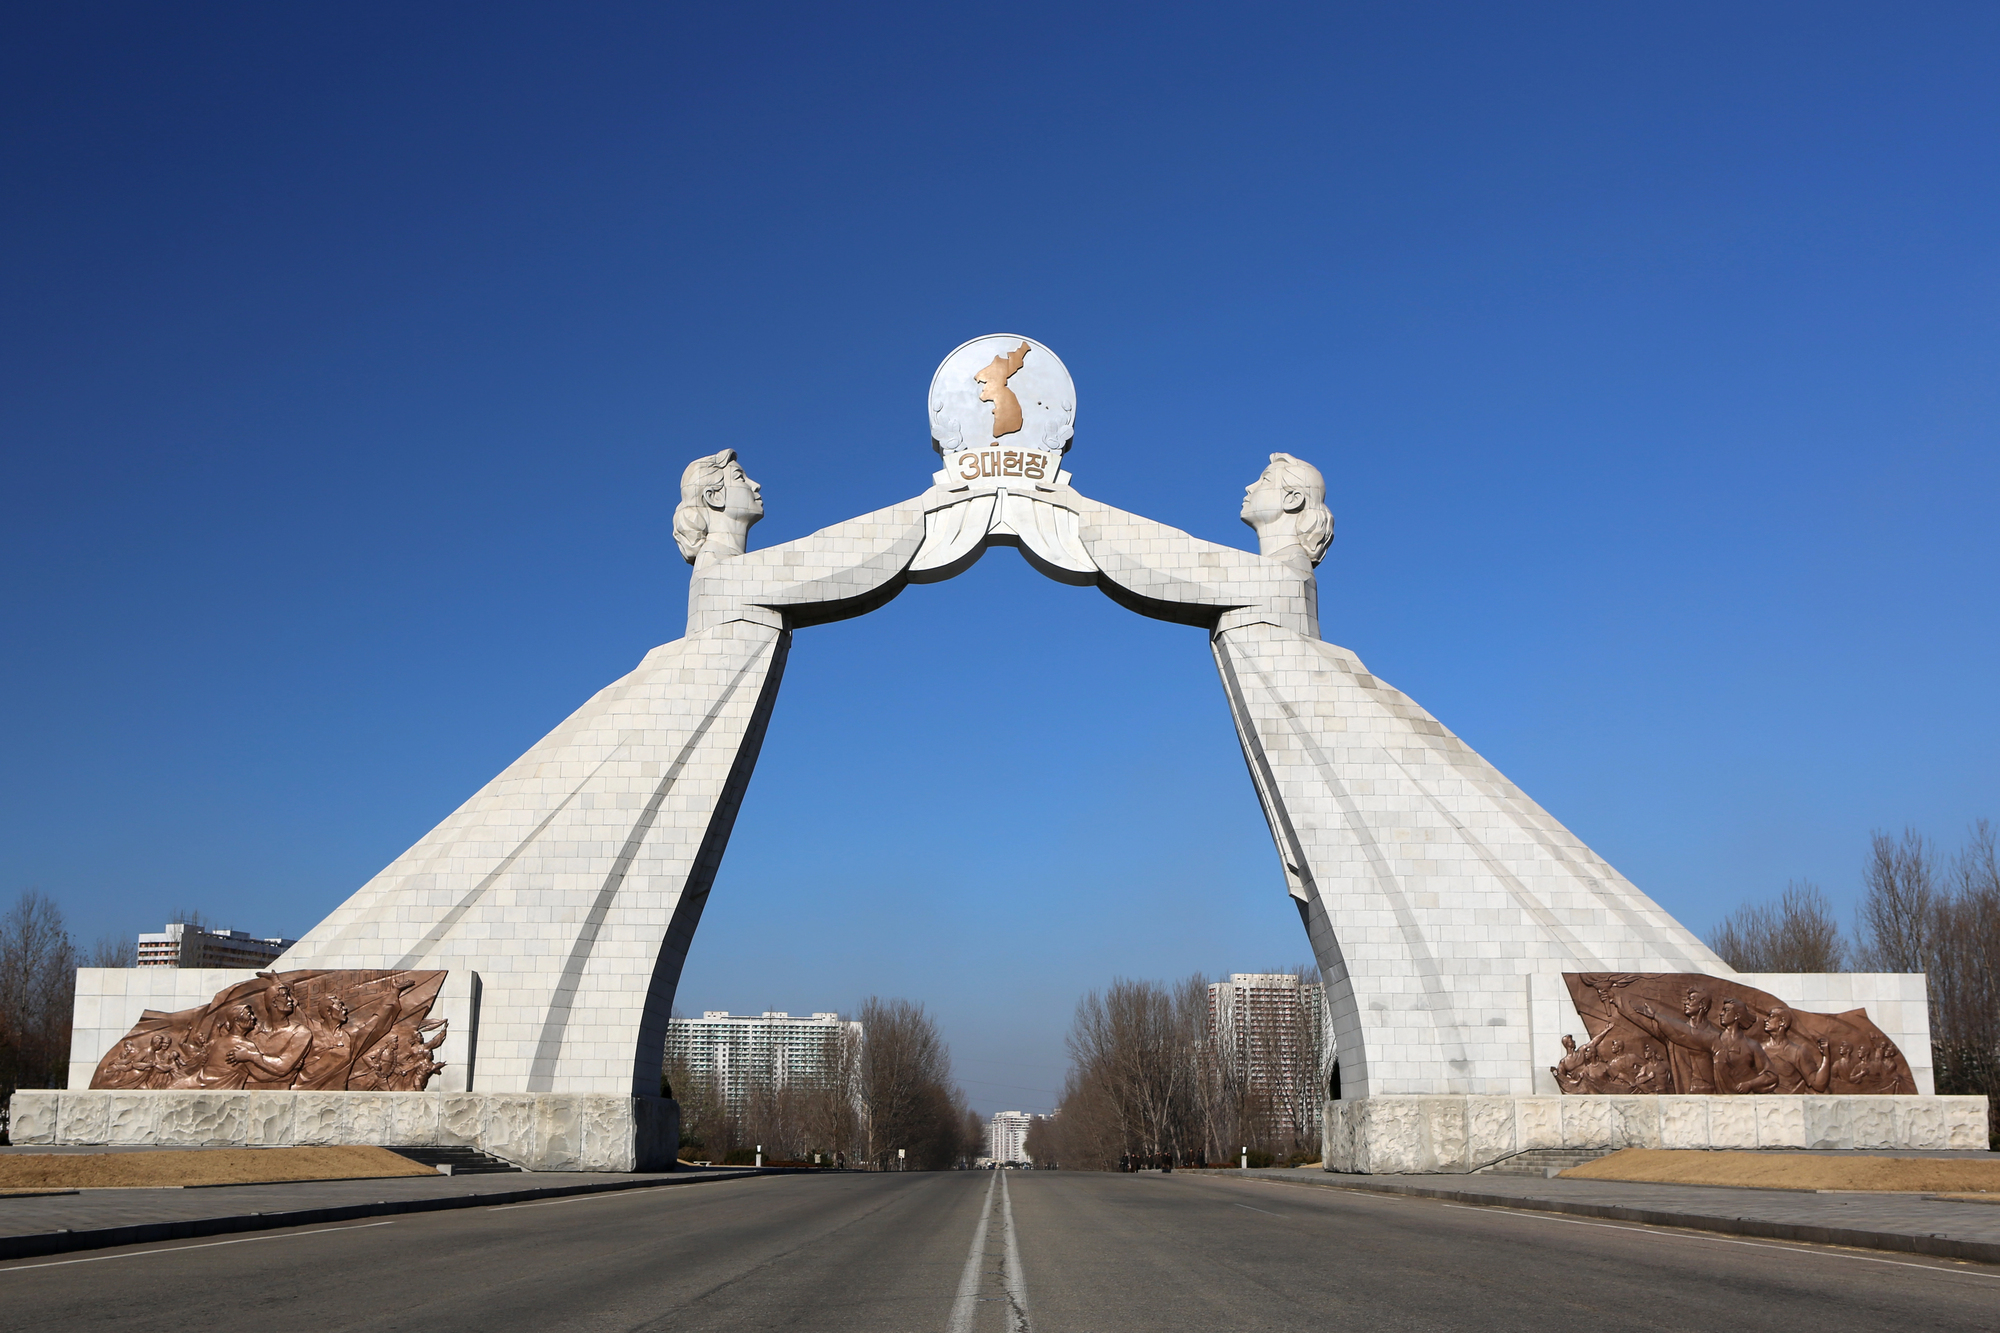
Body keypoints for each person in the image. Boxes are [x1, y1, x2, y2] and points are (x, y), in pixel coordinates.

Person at [1614, 992, 1778, 1094]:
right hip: (1687, 1092)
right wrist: (1653, 1015)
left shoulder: (1736, 1042)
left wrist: (1750, 1084)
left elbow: (1770, 1075)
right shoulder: (1711, 1039)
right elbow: (1687, 1033)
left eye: (1726, 1010)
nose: (1720, 1013)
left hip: (1721, 1096)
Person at [1239, 453, 1334, 573]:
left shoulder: (1290, 569)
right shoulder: (1285, 567)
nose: (1249, 488)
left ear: (1293, 499)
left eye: (1265, 480)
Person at [672, 449, 764, 565]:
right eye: (739, 477)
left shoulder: (723, 562)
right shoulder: (714, 563)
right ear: (714, 497)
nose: (756, 486)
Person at [170, 1004, 261, 1090]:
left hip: (197, 1085)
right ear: (236, 1020)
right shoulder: (243, 1045)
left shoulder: (218, 1042)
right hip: (200, 1085)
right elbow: (262, 1075)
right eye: (249, 1014)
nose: (253, 1018)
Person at [1759, 1007, 1832, 1094]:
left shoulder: (1797, 1052)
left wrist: (1826, 1057)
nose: (1766, 1020)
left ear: (1782, 1022)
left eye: (1771, 1016)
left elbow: (1818, 1085)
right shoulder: (1760, 1049)